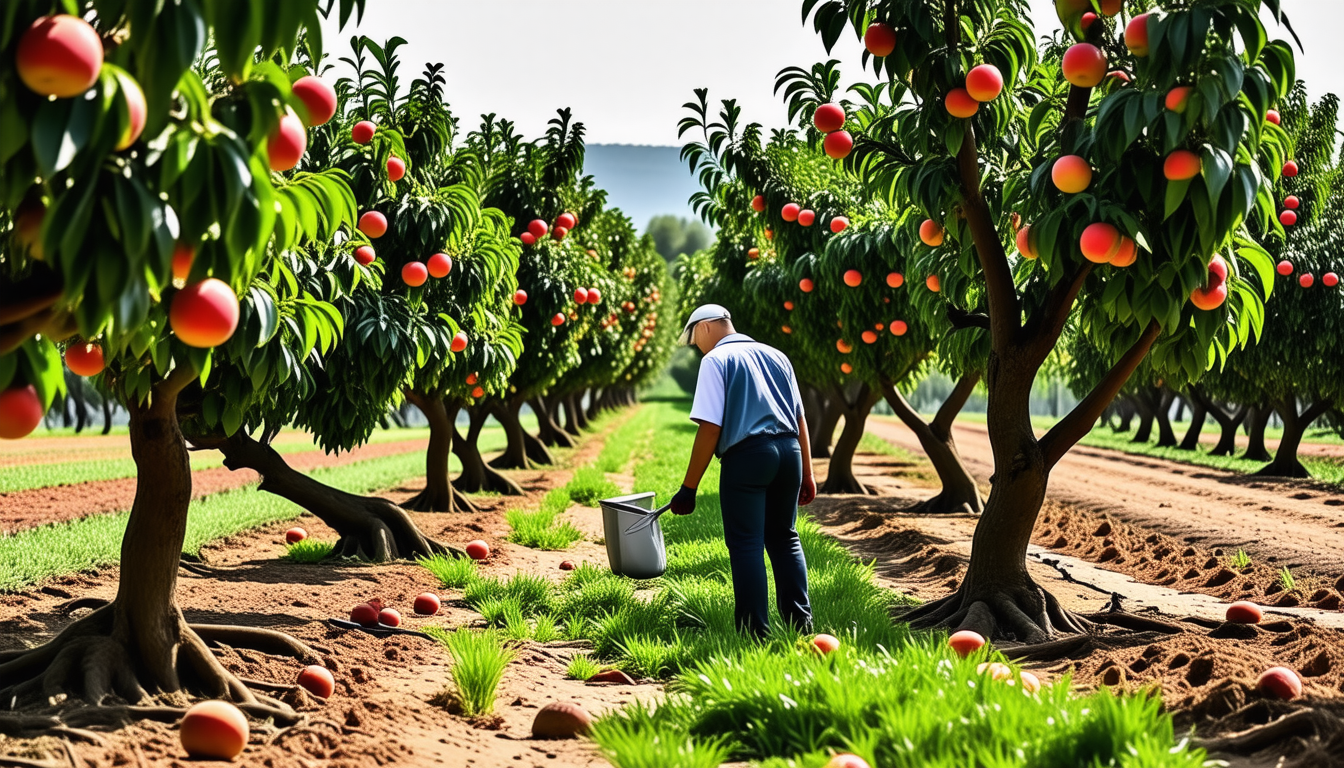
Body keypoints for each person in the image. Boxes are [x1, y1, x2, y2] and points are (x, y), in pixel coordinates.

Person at [669, 303, 816, 638]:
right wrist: (807, 472)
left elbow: (710, 428)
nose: (697, 348)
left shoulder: (715, 361)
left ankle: (754, 633)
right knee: (785, 538)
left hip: (748, 456)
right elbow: (799, 418)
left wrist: (688, 488)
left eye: (694, 340)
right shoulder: (777, 355)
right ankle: (802, 626)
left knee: (747, 542)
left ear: (705, 327)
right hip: (789, 452)